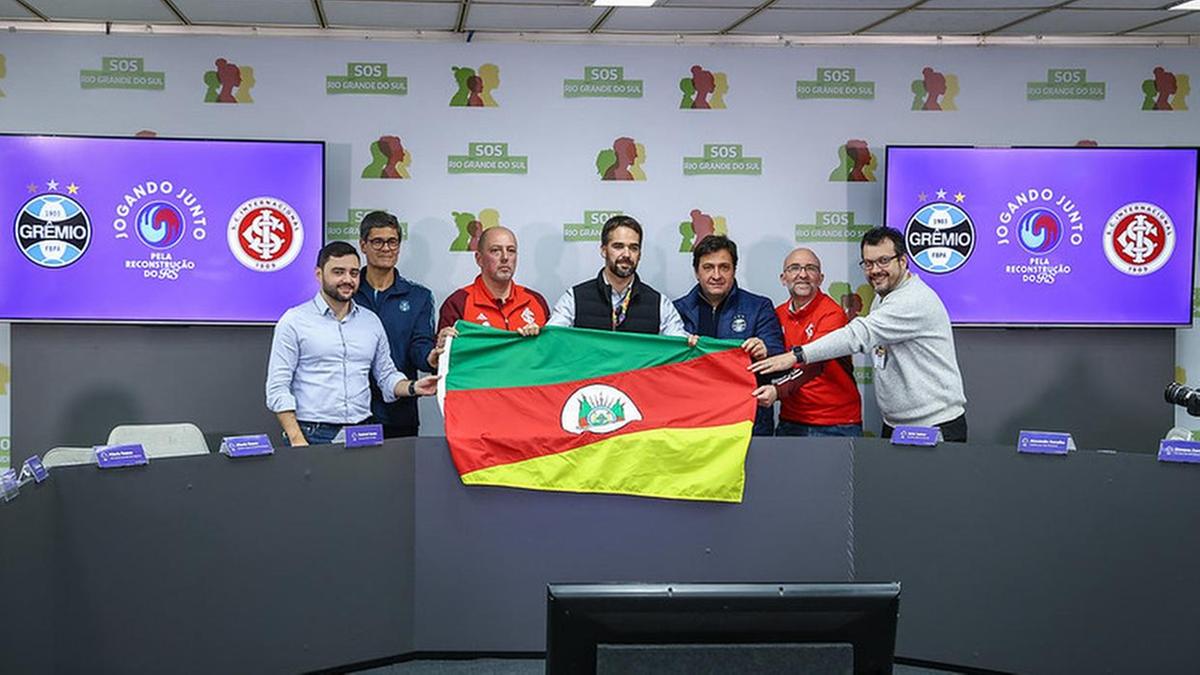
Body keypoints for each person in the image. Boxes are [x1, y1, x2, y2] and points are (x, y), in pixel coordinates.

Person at [750, 227, 967, 442]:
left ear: (902, 261)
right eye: (868, 263)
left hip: (933, 425)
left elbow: (858, 335)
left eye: (884, 261)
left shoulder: (912, 300)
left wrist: (795, 355)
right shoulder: (882, 297)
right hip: (896, 424)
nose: (875, 270)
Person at [266, 242, 437, 446]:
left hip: (363, 431)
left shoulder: (371, 321)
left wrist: (413, 386)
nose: (347, 279)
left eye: (354, 273)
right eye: (338, 272)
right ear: (319, 274)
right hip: (311, 434)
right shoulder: (294, 321)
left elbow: (386, 375)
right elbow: (277, 387)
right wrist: (296, 438)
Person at [673, 234, 784, 436]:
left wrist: (765, 351)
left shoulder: (759, 307)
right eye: (708, 267)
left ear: (734, 270)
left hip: (747, 423)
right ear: (696, 272)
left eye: (724, 267)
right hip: (694, 422)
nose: (717, 275)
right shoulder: (677, 310)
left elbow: (781, 362)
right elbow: (664, 371)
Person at [752, 248, 862, 437]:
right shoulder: (776, 314)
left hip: (835, 423)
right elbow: (772, 359)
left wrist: (777, 391)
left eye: (810, 268)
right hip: (791, 420)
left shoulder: (832, 314)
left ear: (820, 278)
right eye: (794, 268)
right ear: (783, 278)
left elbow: (814, 364)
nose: (802, 274)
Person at [352, 211, 437, 439]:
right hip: (350, 414)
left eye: (392, 241)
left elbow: (420, 348)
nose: (386, 248)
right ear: (363, 245)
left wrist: (432, 358)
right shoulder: (346, 292)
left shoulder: (419, 296)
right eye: (377, 241)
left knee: (400, 475)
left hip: (400, 413)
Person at [547, 215, 689, 337]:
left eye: (633, 248)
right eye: (618, 246)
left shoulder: (659, 304)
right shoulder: (574, 298)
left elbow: (680, 346)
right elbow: (550, 338)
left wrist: (693, 345)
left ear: (640, 254)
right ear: (604, 250)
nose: (626, 254)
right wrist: (533, 334)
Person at [434, 227, 549, 351]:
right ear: (479, 259)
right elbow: (445, 359)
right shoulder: (458, 302)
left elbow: (552, 353)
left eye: (511, 251)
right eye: (495, 251)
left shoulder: (535, 300)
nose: (505, 257)